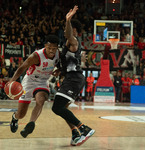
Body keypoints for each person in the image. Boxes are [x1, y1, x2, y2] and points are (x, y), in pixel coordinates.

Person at [51, 6, 95, 146]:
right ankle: (76, 133)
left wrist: (68, 20)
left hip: (74, 79)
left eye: (68, 28)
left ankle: (83, 128)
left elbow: (69, 34)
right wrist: (59, 70)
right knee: (63, 109)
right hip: (71, 78)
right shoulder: (67, 45)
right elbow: (68, 62)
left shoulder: (73, 41)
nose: (64, 31)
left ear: (74, 30)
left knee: (57, 107)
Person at [9, 35, 60, 138]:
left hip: (43, 81)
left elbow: (61, 65)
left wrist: (59, 70)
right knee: (21, 114)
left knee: (41, 100)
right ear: (45, 46)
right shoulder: (36, 56)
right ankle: (15, 117)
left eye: (54, 49)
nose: (51, 50)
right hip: (30, 80)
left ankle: (31, 123)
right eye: (49, 48)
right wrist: (11, 81)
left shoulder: (59, 54)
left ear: (57, 48)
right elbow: (21, 68)